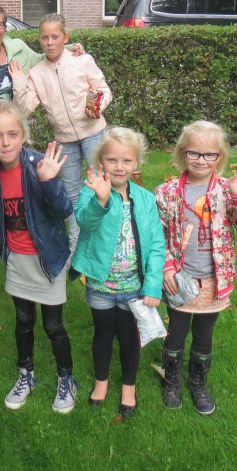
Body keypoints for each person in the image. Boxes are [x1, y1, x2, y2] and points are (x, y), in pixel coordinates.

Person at [154, 121, 237, 415]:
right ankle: (172, 380)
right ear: (182, 153)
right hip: (178, 280)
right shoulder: (167, 192)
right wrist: (166, 267)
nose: (201, 160)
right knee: (175, 333)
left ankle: (198, 382)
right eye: (194, 153)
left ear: (219, 157)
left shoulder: (226, 191)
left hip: (213, 281)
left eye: (209, 155)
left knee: (204, 335)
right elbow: (155, 235)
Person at [0, 100, 78, 414]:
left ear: (23, 135)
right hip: (17, 259)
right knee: (23, 320)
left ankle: (66, 378)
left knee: (53, 325)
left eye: (12, 134)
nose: (5, 142)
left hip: (47, 258)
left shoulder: (38, 167)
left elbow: (64, 211)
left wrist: (49, 182)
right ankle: (26, 374)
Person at [71, 127, 165, 418]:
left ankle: (128, 386)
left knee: (128, 338)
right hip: (101, 285)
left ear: (137, 163)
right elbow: (84, 221)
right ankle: (101, 382)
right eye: (112, 160)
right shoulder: (91, 193)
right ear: (101, 162)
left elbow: (157, 245)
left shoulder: (146, 199)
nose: (119, 167)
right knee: (102, 334)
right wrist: (100, 200)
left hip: (133, 287)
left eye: (127, 160)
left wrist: (153, 285)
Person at [11, 13, 112, 256]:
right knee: (73, 196)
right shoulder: (37, 72)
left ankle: (107, 244)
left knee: (101, 187)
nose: (49, 43)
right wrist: (19, 83)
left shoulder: (82, 60)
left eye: (55, 37)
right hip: (64, 140)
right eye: (44, 38)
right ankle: (76, 250)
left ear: (65, 38)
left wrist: (97, 105)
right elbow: (24, 109)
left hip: (94, 133)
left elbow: (103, 89)